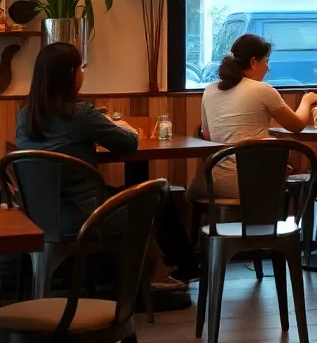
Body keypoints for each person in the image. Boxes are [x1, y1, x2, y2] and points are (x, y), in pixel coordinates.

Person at [15, 42, 197, 288]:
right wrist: (119, 125)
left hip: (39, 216)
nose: (82, 73)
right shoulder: (79, 114)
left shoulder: (25, 114)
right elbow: (129, 143)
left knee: (131, 192)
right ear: (71, 74)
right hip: (85, 219)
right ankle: (178, 271)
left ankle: (152, 270)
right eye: (80, 67)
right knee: (157, 193)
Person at [198, 33, 317, 198]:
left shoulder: (209, 90)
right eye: (267, 61)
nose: (268, 68)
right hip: (252, 182)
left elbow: (207, 135)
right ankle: (284, 222)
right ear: (254, 62)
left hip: (214, 183)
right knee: (294, 168)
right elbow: (297, 125)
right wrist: (307, 101)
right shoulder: (262, 90)